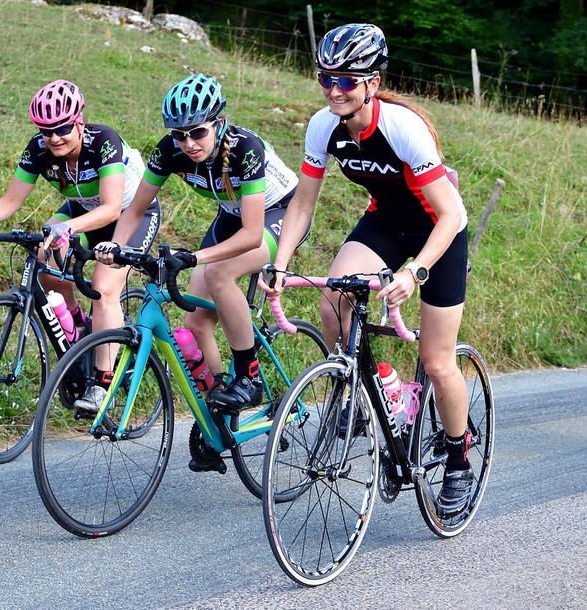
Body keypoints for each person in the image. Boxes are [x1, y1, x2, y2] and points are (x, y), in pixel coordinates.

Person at [265, 24, 473, 518]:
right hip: (387, 222)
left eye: (348, 81)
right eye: (326, 79)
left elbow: (450, 214)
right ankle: (385, 386)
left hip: (438, 231)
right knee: (333, 302)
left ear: (372, 84)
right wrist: (279, 263)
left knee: (438, 359)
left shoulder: (403, 128)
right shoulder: (324, 126)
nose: (335, 90)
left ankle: (459, 458)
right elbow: (301, 206)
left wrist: (415, 272)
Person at [94, 73, 304, 411]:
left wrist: (194, 257)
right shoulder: (169, 151)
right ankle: (219, 409)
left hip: (281, 212)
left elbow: (251, 234)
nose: (189, 143)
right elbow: (136, 208)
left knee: (219, 273)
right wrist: (117, 247)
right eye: (180, 135)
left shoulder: (244, 149)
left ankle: (247, 377)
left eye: (198, 132)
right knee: (195, 321)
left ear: (218, 123)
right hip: (233, 214)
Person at [0, 79, 160, 415]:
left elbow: (109, 208)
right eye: (45, 130)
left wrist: (65, 227)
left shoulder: (103, 142)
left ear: (78, 122)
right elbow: (10, 200)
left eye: (62, 128)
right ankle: (81, 332)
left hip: (128, 214)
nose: (54, 137)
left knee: (104, 287)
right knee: (44, 255)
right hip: (82, 210)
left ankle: (102, 383)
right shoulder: (39, 148)